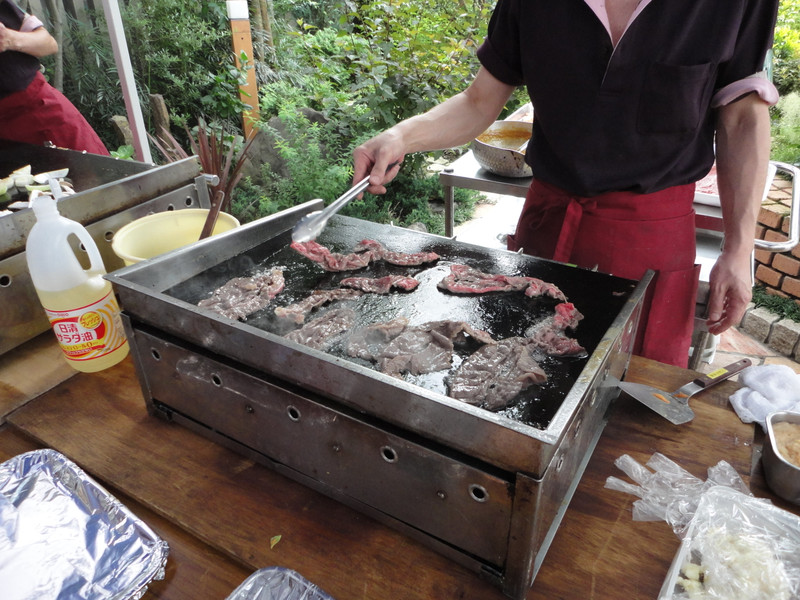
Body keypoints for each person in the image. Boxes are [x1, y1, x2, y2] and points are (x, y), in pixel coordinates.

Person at [353, 0, 779, 368]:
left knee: (629, 397)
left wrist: (740, 248)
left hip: (653, 239)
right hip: (548, 224)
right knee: (519, 373)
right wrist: (401, 137)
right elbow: (479, 100)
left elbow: (743, 115)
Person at [0, 0, 109, 155]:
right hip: (5, 139)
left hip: (40, 113)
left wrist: (9, 39)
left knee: (96, 174)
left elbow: (48, 43)